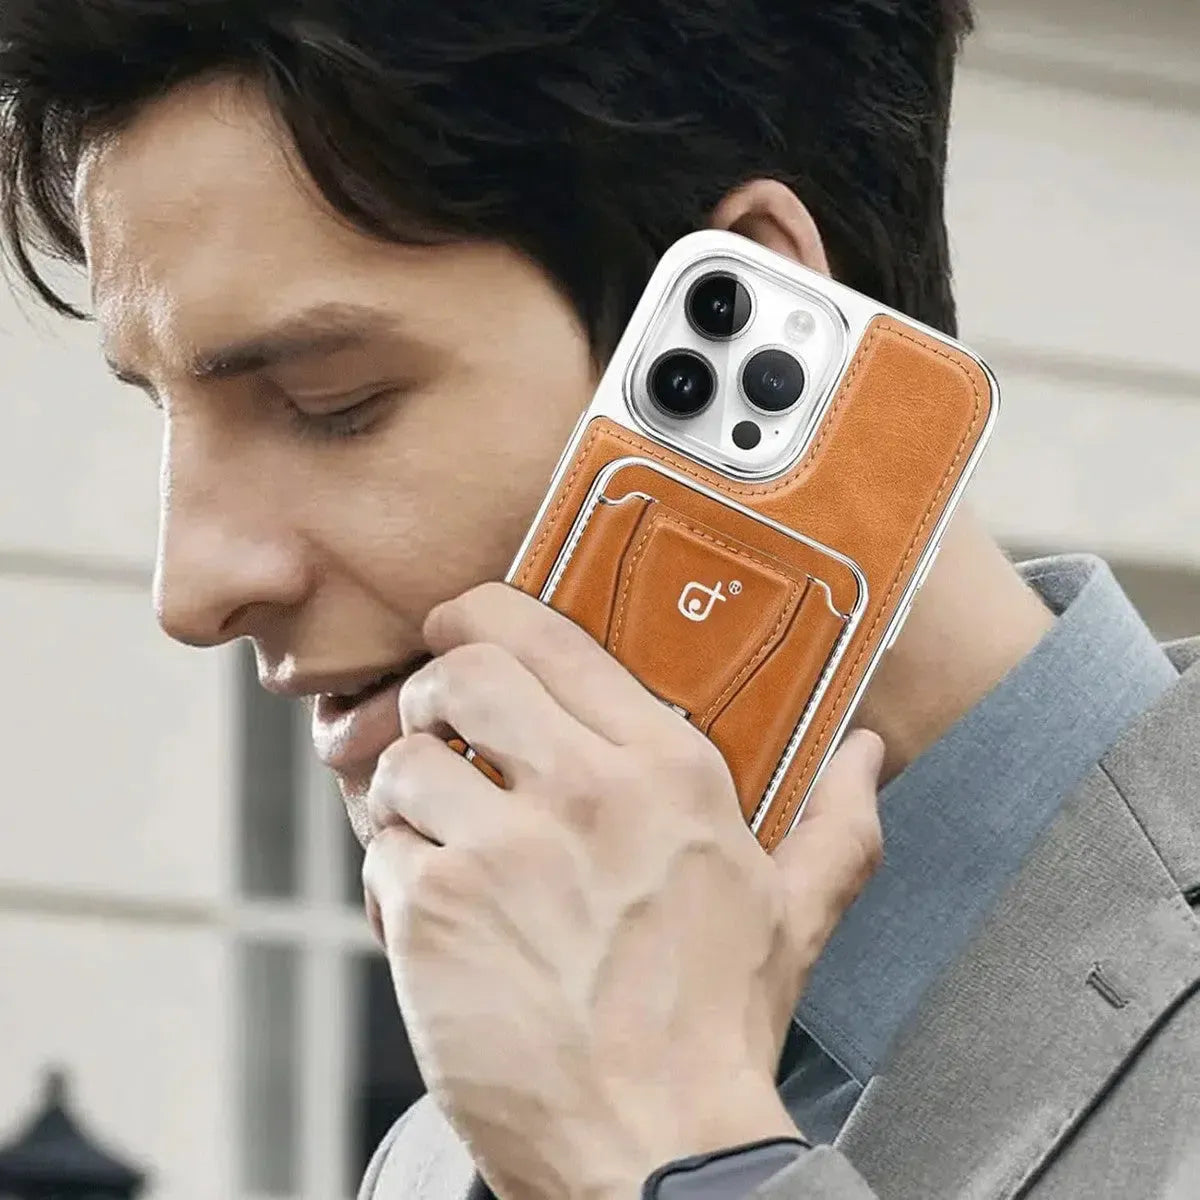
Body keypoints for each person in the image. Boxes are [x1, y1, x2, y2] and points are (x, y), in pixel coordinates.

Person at [2, 3, 1197, 1198]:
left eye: (332, 402)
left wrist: (668, 1160)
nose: (190, 589)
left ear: (760, 319)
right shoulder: (436, 1152)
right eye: (166, 414)